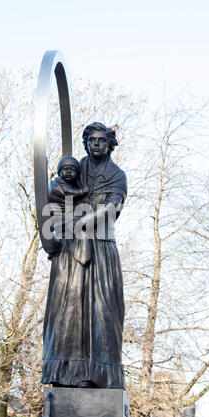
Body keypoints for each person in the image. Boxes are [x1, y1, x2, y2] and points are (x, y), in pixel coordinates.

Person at [42, 122, 127, 389]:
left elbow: (113, 206)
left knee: (104, 312)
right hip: (70, 248)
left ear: (110, 144)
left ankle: (100, 374)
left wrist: (82, 220)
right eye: (92, 140)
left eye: (102, 140)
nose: (96, 144)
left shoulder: (117, 175)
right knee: (68, 310)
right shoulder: (73, 169)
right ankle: (65, 374)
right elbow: (55, 194)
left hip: (101, 246)